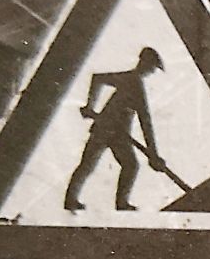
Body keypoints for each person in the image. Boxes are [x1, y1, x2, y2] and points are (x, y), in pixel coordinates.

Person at [64, 47, 164, 212]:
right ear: (144, 63)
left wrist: (91, 106)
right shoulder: (134, 82)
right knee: (124, 165)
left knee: (94, 165)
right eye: (152, 67)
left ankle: (72, 200)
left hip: (116, 133)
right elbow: (145, 120)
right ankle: (120, 204)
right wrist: (153, 152)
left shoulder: (129, 79)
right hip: (108, 130)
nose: (152, 71)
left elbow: (97, 79)